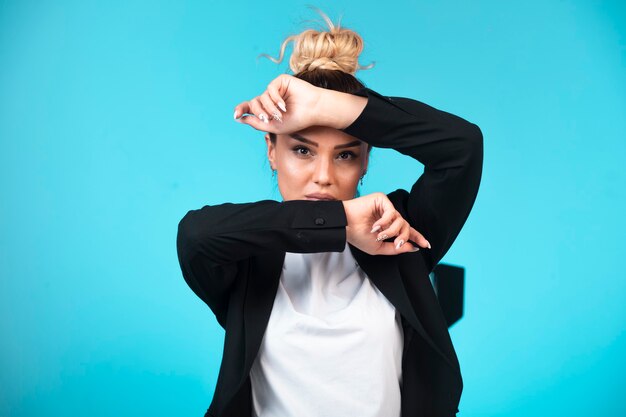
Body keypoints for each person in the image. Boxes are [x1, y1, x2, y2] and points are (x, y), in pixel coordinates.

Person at [176, 8, 483, 417]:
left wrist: (327, 105)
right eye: (302, 149)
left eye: (345, 154)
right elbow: (196, 235)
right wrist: (337, 225)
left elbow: (462, 147)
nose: (323, 176)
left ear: (366, 160)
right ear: (271, 150)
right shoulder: (246, 256)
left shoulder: (397, 233)